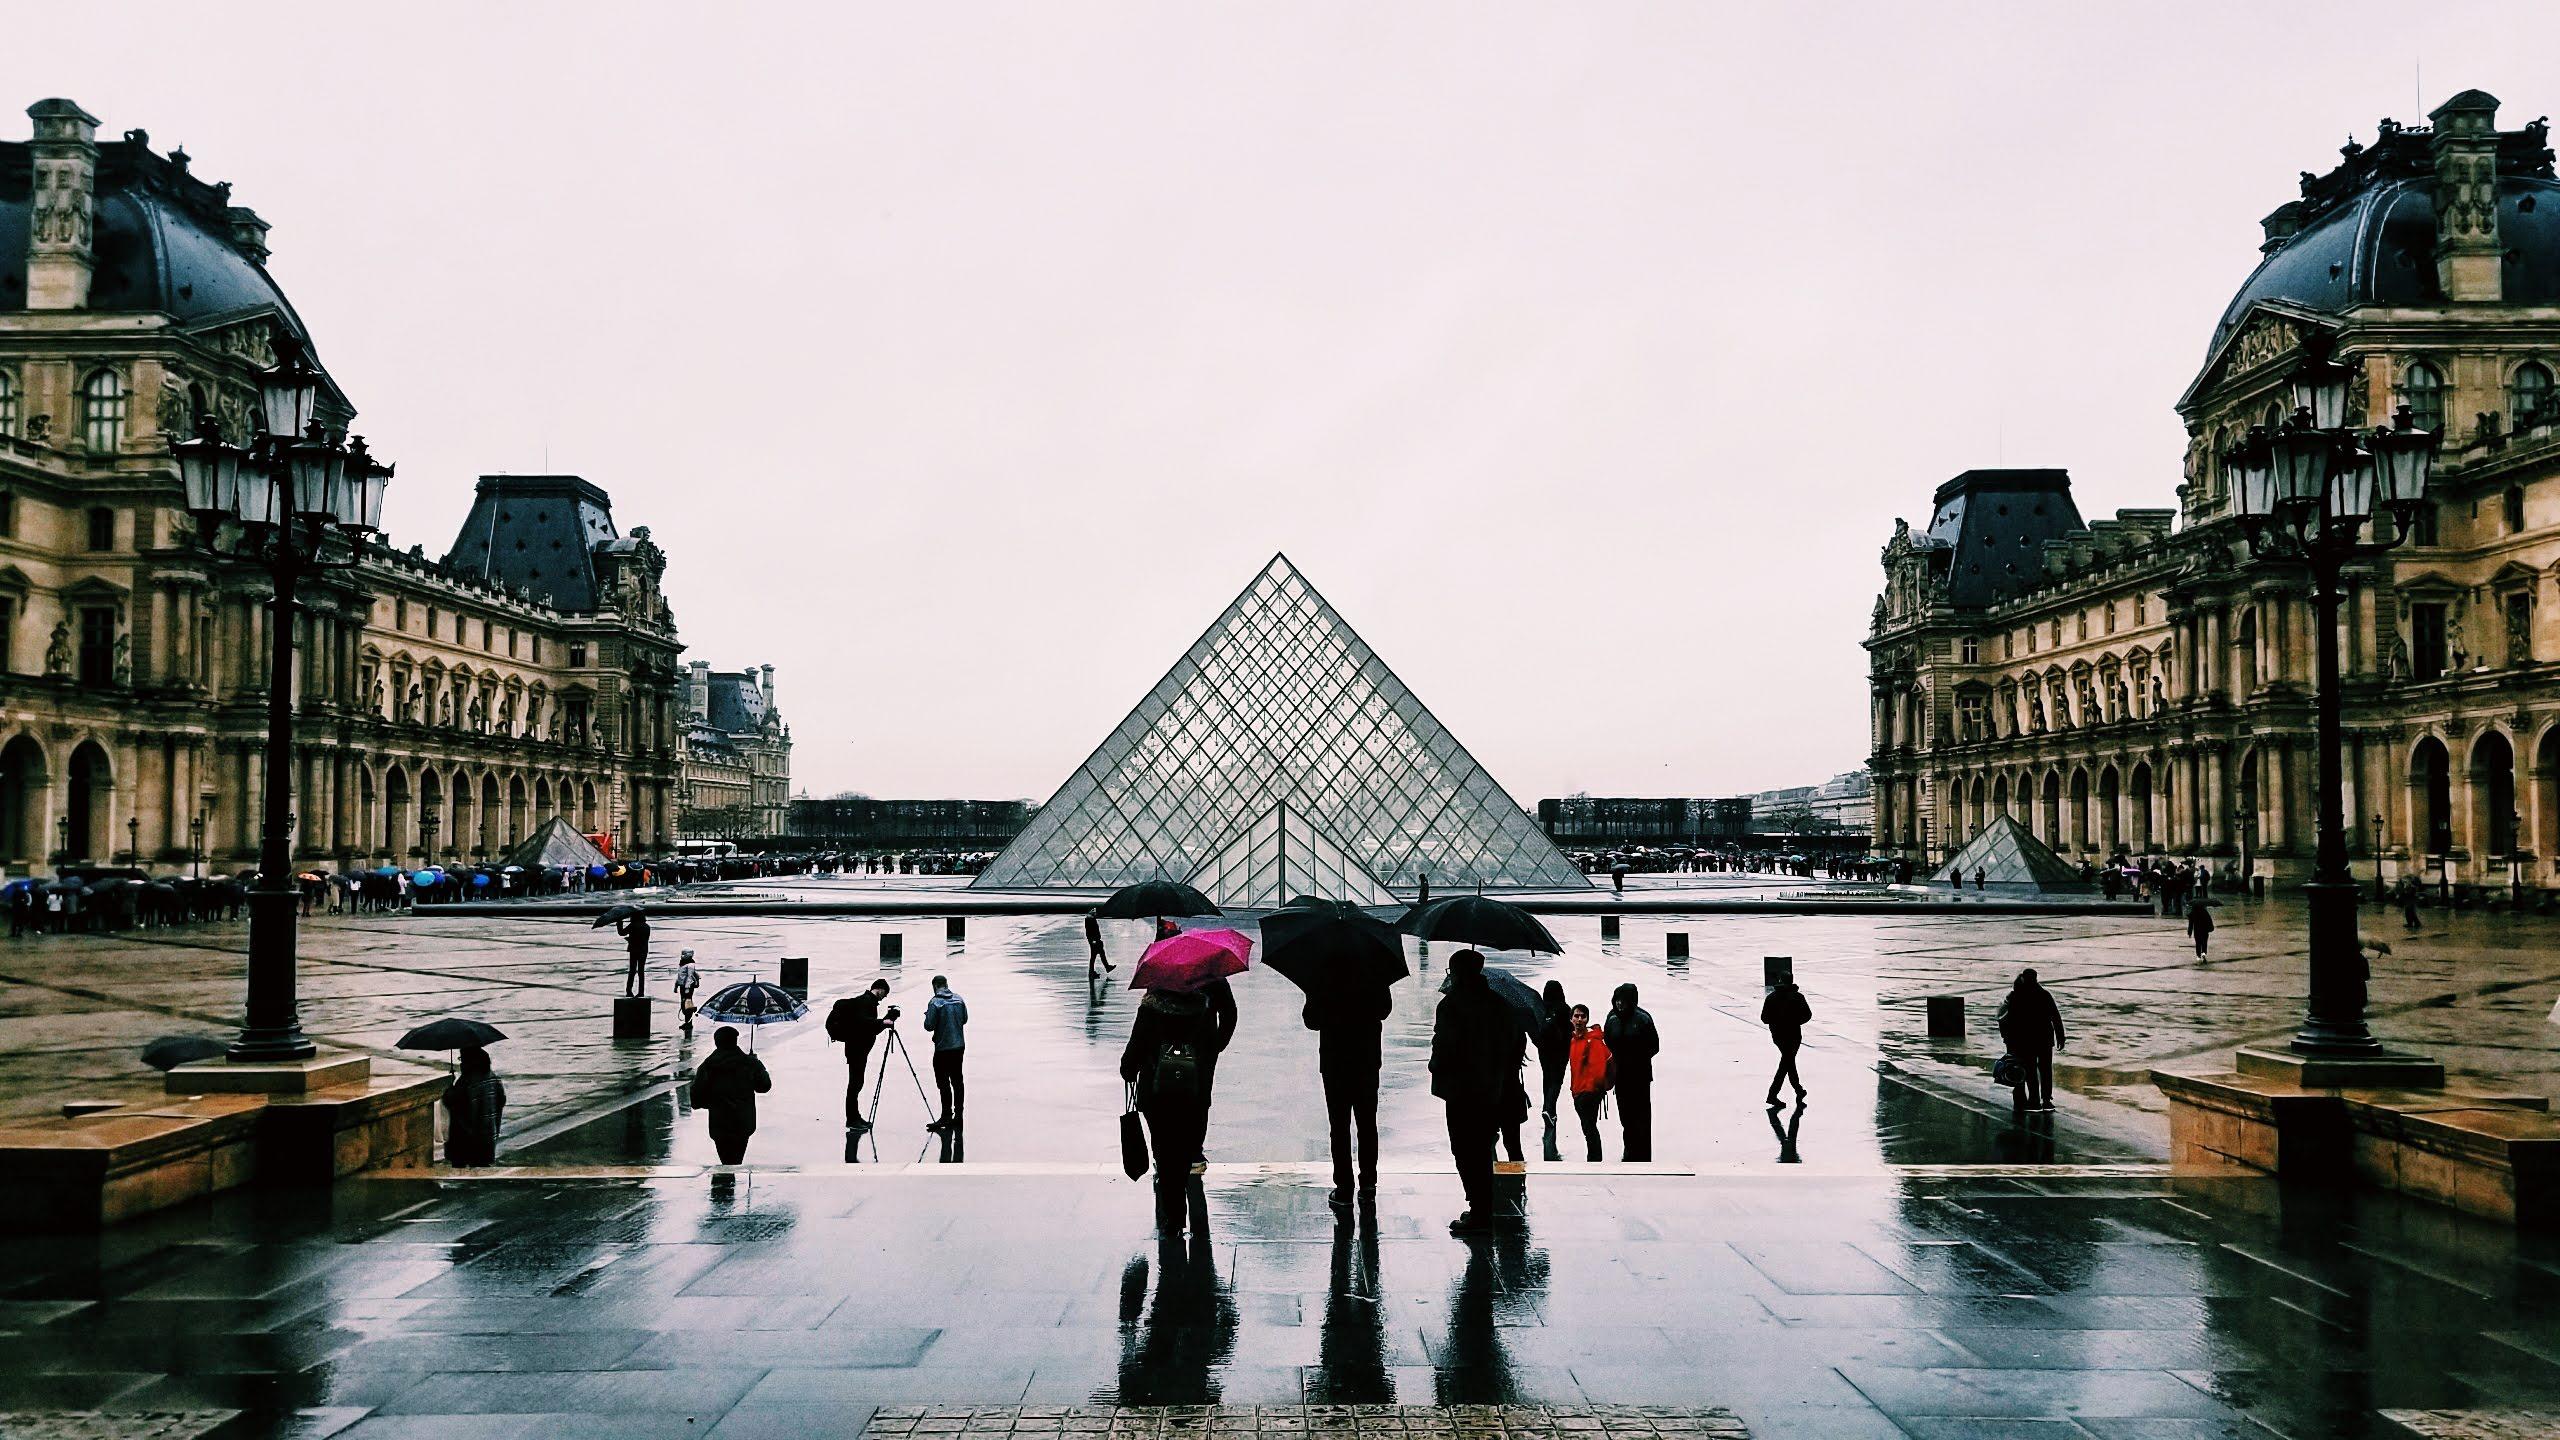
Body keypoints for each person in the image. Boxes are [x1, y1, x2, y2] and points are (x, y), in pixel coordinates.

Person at [1122, 984, 1218, 1235]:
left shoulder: (1150, 1010)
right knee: (1185, 1151)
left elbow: (1132, 1056)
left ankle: (1173, 1218)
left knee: (1164, 1153)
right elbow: (1211, 1048)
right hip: (1191, 1093)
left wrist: (1131, 1068)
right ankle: (1181, 1207)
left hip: (1157, 1095)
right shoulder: (1203, 1009)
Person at [1431, 950, 1514, 1234]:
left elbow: (1443, 1047)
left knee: (1463, 1149)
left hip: (1459, 1091)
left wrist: (1435, 1066)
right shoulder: (1498, 1005)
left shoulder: (1450, 1006)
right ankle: (1482, 1207)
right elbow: (1508, 1046)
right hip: (1490, 1090)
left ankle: (1478, 1208)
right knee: (1482, 1148)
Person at [1306, 978, 1391, 1214]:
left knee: (1339, 1125)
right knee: (1366, 1123)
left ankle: (1344, 1187)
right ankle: (1368, 1184)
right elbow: (1385, 1010)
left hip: (1335, 1060)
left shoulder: (1323, 974)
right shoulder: (1374, 971)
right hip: (1366, 1058)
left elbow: (1311, 1020)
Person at [689, 1025, 771, 1164]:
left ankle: (724, 1183)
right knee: (737, 1159)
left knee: (725, 1160)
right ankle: (729, 1180)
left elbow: (696, 1097)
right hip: (743, 1121)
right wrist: (758, 1065)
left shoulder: (708, 1065)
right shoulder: (749, 1063)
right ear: (735, 1041)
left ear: (716, 1042)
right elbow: (764, 1086)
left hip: (719, 1122)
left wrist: (710, 1102)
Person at [1602, 982, 1660, 1161]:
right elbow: (1607, 1042)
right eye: (1617, 1000)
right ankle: (1629, 1147)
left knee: (1641, 1115)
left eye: (1623, 1001)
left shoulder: (1643, 1019)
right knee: (1625, 1113)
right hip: (1620, 1076)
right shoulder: (1612, 1018)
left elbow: (1654, 1046)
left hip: (1640, 1076)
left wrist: (1637, 1057)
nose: (1619, 1004)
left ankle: (1642, 1152)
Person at [826, 978, 894, 1129]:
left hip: (859, 1049)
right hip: (856, 1049)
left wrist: (885, 1021)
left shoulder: (867, 1002)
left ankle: (855, 1117)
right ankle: (852, 1119)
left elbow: (871, 1028)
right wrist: (882, 1022)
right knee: (855, 1085)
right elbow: (863, 1023)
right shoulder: (865, 1002)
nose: (885, 997)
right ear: (880, 989)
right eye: (885, 993)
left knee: (857, 1083)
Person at [1997, 969, 2067, 1113]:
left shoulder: (2018, 996)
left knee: (2031, 1070)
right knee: (2045, 1069)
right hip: (2045, 1040)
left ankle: (2034, 1100)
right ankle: (2046, 1100)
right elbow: (2056, 1017)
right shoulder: (2044, 995)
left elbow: (2010, 1021)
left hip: (2027, 1041)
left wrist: (2009, 1040)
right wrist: (2061, 1036)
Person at [443, 1044, 505, 1167]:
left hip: (468, 1139)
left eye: (461, 1058)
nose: (461, 1062)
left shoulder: (467, 1080)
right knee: (482, 1167)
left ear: (468, 1060)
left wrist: (449, 1085)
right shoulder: (494, 1078)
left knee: (463, 1173)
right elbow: (501, 1100)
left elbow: (450, 1101)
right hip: (488, 1135)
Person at [922, 974, 968, 1132]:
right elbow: (964, 1020)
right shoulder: (959, 999)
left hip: (943, 1048)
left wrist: (928, 1016)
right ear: (946, 984)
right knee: (957, 1081)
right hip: (959, 1046)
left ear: (934, 986)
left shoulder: (935, 1002)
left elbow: (929, 1026)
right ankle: (959, 1115)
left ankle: (946, 1115)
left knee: (943, 1083)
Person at [1566, 1004, 1611, 1162]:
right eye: (1576, 1016)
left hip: (1590, 1092)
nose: (1579, 1020)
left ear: (1587, 1019)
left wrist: (1595, 1088)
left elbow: (1603, 1065)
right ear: (1571, 1019)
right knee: (1589, 1128)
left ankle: (1594, 1160)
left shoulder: (1594, 1041)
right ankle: (1594, 1159)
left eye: (1582, 1016)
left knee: (1589, 1128)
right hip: (1579, 1090)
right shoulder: (1573, 1041)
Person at [1760, 977, 1812, 1107]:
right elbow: (1807, 1015)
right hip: (1794, 1035)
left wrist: (1776, 1021)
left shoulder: (1771, 997)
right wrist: (1794, 1021)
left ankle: (1798, 1090)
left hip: (1778, 1036)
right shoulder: (1797, 997)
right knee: (1786, 1063)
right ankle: (1773, 1095)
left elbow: (1764, 1018)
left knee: (1787, 1062)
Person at [1533, 980, 1572, 1130]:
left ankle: (1550, 1110)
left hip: (1544, 1049)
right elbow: (1569, 1029)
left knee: (1547, 1077)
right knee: (1557, 1079)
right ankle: (1549, 1108)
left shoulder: (1541, 1008)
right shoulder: (1564, 1008)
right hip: (1561, 1050)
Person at [616, 910, 651, 998]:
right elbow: (644, 939)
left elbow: (622, 933)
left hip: (634, 950)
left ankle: (629, 991)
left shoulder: (633, 925)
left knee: (632, 971)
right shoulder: (647, 926)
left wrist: (619, 923)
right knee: (641, 971)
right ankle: (641, 992)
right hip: (643, 950)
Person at [673, 951, 702, 1034]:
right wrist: (676, 985)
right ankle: (688, 1019)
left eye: (684, 954)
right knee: (683, 1004)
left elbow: (689, 977)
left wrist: (687, 988)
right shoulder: (682, 964)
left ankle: (688, 1022)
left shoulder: (690, 965)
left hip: (688, 987)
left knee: (687, 1004)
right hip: (683, 986)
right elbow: (680, 976)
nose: (682, 956)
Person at [1084, 910, 1115, 979]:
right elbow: (1091, 931)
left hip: (1095, 940)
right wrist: (1094, 940)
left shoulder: (1090, 918)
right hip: (1095, 941)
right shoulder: (1090, 919)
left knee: (1098, 955)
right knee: (1095, 956)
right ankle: (1103, 968)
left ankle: (1105, 968)